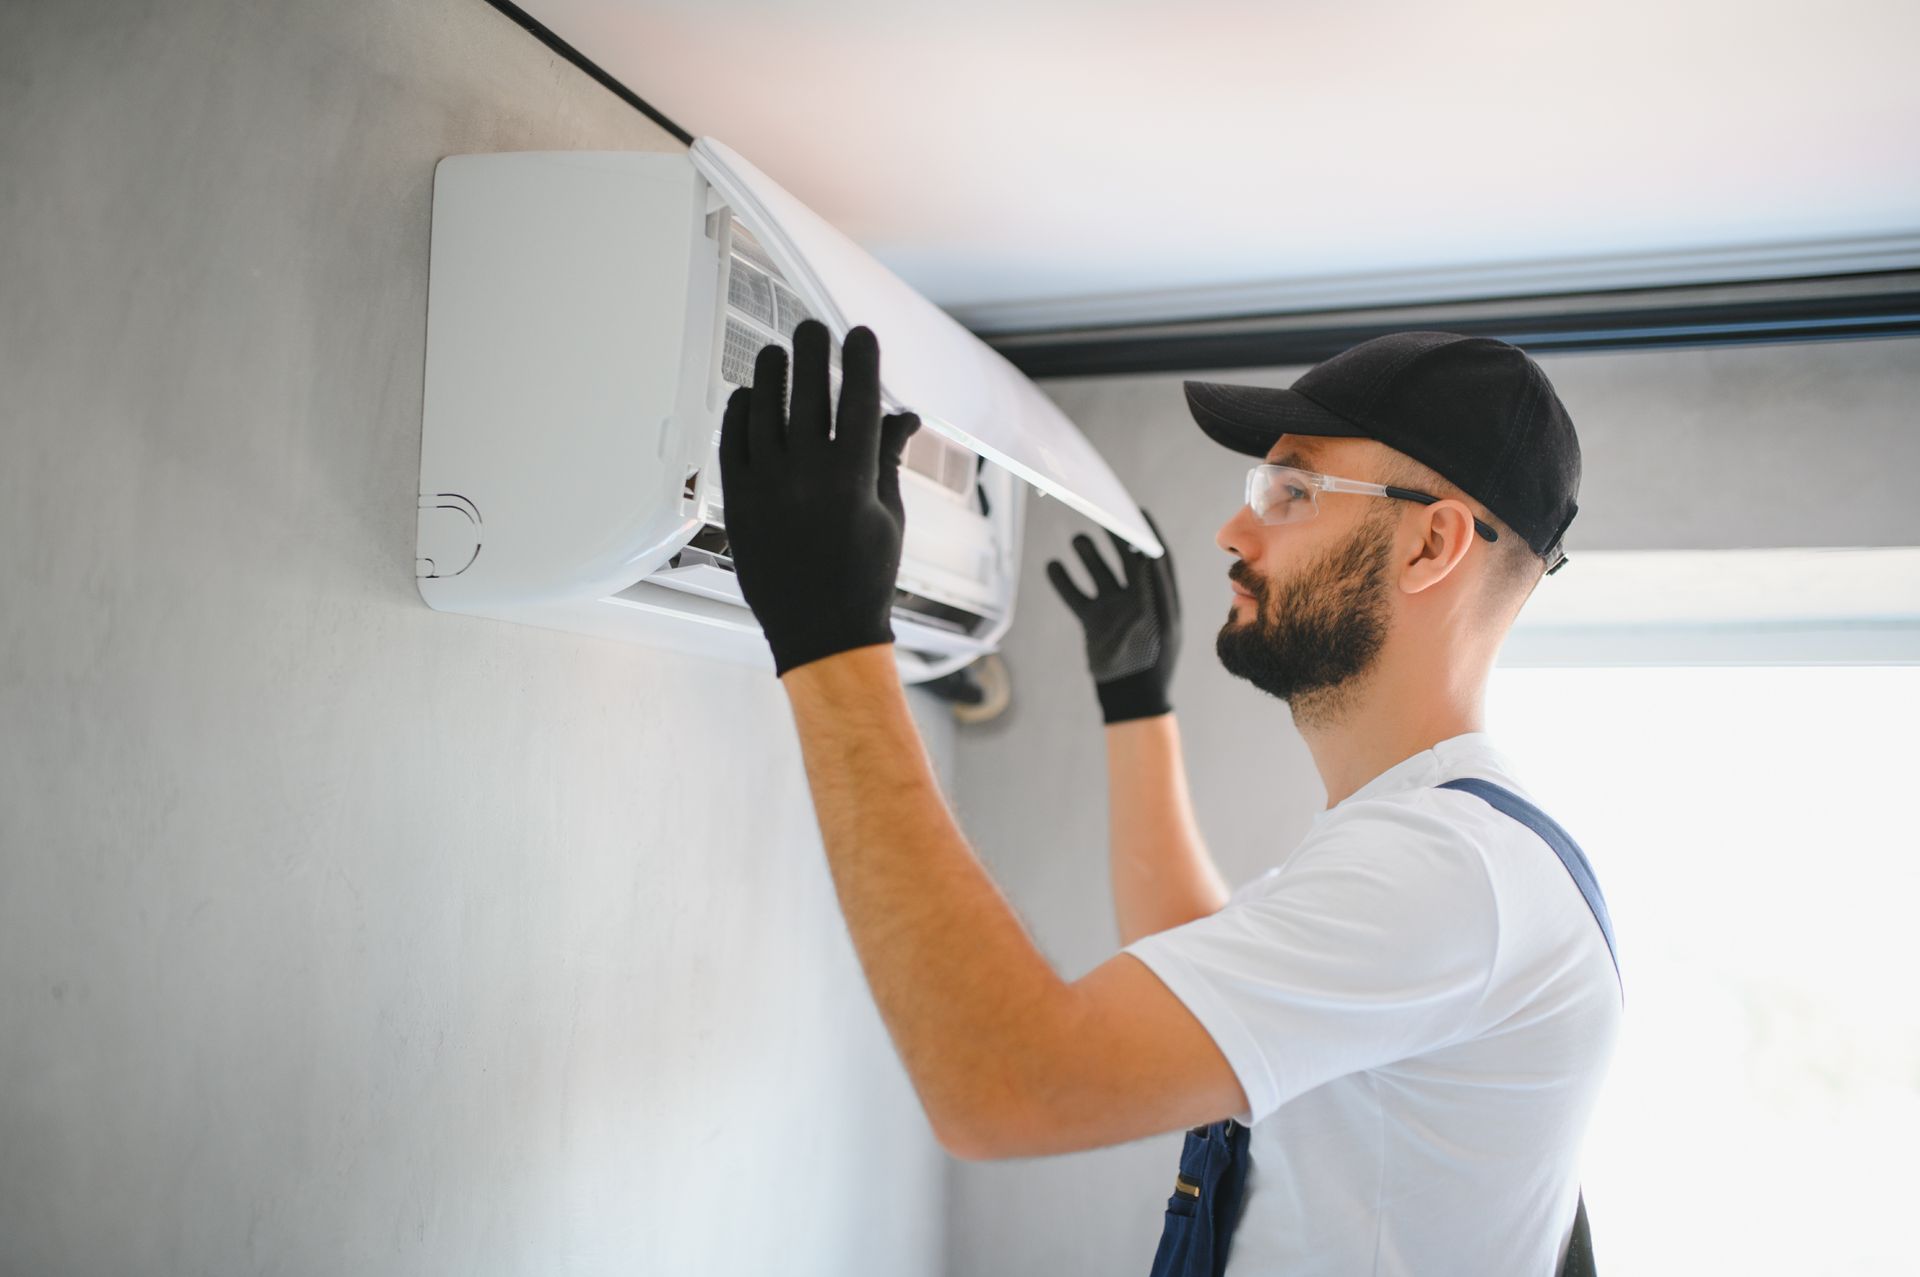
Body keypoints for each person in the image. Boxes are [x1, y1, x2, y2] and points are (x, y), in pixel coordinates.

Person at [718, 321, 1619, 1276]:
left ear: (1431, 543)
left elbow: (1007, 1082)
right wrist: (1135, 703)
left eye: (1293, 489)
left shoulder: (1447, 870)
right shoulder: (1447, 846)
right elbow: (1205, 966)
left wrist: (830, 635)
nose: (1235, 529)